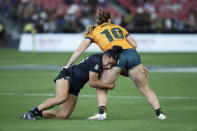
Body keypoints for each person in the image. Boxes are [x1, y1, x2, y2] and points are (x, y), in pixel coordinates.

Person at [63, 9, 166, 120]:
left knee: (101, 87)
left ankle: (102, 113)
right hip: (132, 55)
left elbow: (79, 50)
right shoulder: (120, 28)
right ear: (110, 20)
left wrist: (68, 65)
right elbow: (134, 45)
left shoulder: (93, 31)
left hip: (114, 56)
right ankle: (160, 114)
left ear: (97, 21)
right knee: (145, 88)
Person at [20, 46, 123, 120]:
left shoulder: (100, 60)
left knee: (63, 115)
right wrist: (110, 86)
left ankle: (39, 113)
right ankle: (32, 112)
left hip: (75, 87)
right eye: (109, 63)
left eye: (112, 65)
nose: (109, 66)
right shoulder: (97, 61)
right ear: (105, 56)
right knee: (61, 98)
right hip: (67, 76)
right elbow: (92, 82)